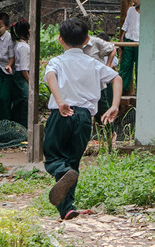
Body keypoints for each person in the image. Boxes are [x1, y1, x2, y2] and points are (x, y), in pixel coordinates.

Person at [43, 17, 122, 220]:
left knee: (53, 157)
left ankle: (61, 174)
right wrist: (114, 106)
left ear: (60, 40)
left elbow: (50, 76)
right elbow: (117, 78)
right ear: (87, 40)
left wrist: (60, 101)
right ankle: (67, 208)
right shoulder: (92, 63)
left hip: (61, 113)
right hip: (84, 117)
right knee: (73, 162)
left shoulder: (57, 61)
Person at [4, 18, 33, 126]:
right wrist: (31, 82)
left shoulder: (17, 45)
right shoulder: (24, 47)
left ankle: (16, 124)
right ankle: (24, 125)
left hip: (17, 75)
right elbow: (24, 68)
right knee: (25, 100)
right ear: (26, 32)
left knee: (18, 101)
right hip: (22, 76)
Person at [119, 0, 140, 96]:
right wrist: (122, 39)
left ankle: (139, 90)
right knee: (125, 65)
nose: (134, 1)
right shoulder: (131, 10)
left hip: (140, 42)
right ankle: (122, 89)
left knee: (139, 66)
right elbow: (125, 25)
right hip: (129, 39)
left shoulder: (146, 12)